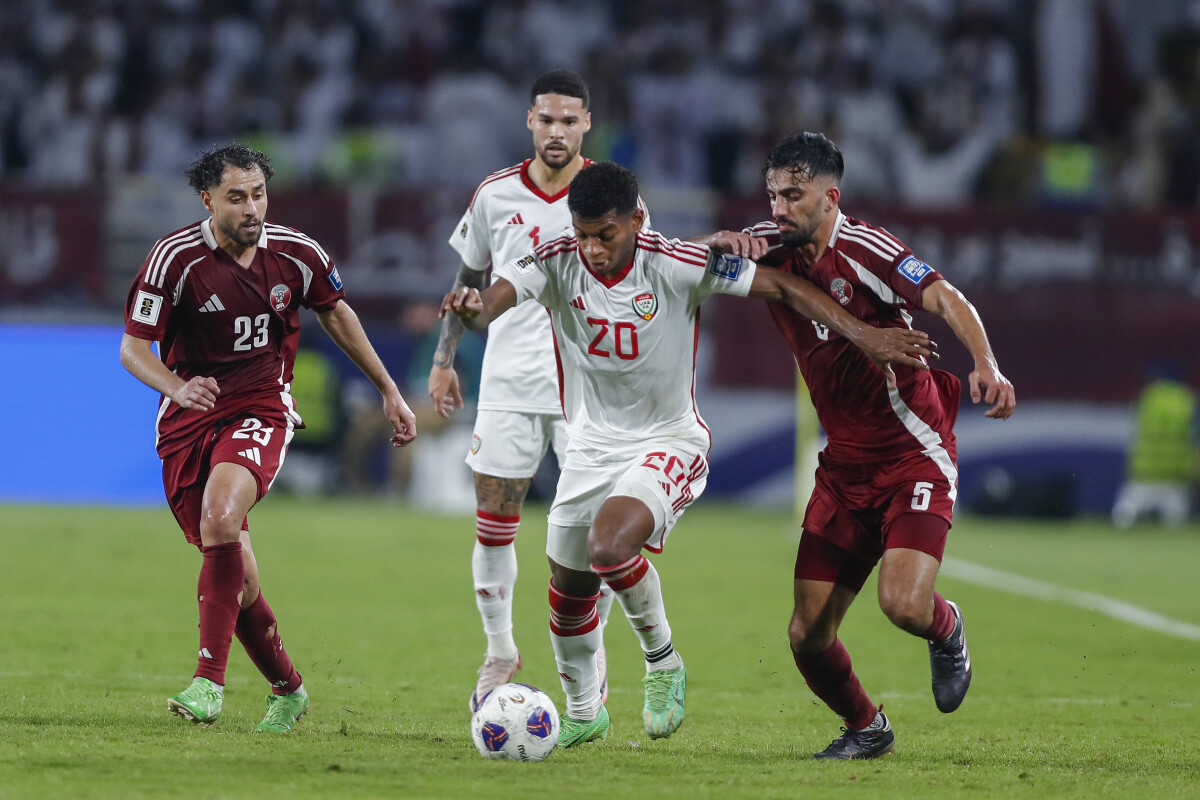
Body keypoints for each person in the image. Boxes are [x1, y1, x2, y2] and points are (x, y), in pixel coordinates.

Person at [442, 160, 935, 747]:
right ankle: (584, 711)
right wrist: (471, 309)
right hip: (591, 445)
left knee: (609, 546)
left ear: (636, 220)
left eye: (605, 235)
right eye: (583, 234)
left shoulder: (675, 263)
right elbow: (493, 301)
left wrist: (864, 334)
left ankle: (663, 660)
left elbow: (783, 286)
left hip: (668, 440)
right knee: (569, 588)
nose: (593, 249)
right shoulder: (554, 259)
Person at [731, 131, 1016, 759]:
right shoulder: (767, 246)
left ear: (830, 198)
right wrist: (721, 244)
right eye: (773, 194)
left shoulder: (866, 249)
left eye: (794, 195)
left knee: (904, 605)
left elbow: (945, 296)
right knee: (807, 633)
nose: (779, 208)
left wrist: (986, 364)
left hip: (912, 453)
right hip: (844, 468)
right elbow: (681, 259)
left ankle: (947, 627)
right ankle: (867, 727)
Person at [120, 143, 417, 733]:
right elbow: (133, 349)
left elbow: (337, 313)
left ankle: (208, 683)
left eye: (258, 194)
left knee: (221, 515)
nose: (252, 208)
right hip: (188, 418)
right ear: (207, 201)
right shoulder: (174, 259)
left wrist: (388, 389)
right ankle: (288, 688)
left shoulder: (297, 254)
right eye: (236, 197)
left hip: (262, 406)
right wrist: (178, 387)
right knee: (240, 575)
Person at [429, 70, 648, 710]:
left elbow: (646, 279)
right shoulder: (495, 194)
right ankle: (500, 652)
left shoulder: (613, 194)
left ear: (587, 124)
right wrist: (444, 359)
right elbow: (468, 279)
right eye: (546, 119)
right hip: (509, 381)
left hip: (591, 390)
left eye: (569, 120)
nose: (557, 131)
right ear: (530, 121)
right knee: (493, 524)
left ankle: (591, 651)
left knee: (594, 536)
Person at [1111, 361, 1198, 528]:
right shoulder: (1187, 401)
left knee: (1125, 514)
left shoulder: (1146, 398)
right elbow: (1195, 437)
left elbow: (1135, 432)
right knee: (1176, 522)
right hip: (1176, 474)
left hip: (1145, 471)